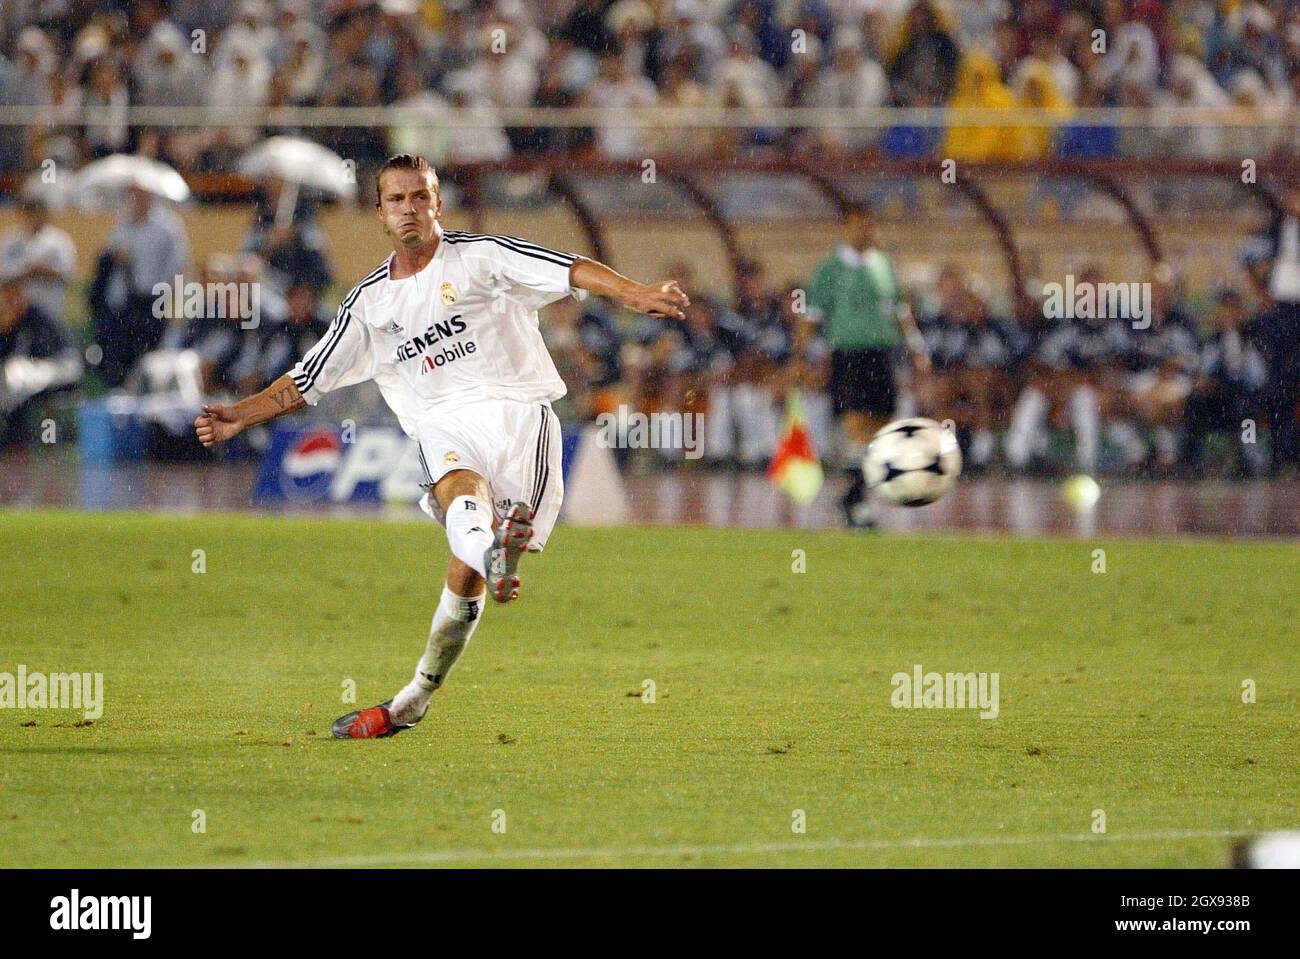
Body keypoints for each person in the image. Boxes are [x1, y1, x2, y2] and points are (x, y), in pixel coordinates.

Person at [192, 154, 688, 740]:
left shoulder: (482, 256)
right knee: (459, 492)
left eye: (420, 197)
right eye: (397, 200)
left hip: (522, 415)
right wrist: (239, 416)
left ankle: (415, 697)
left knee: (463, 577)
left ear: (437, 205)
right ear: (380, 213)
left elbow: (571, 269)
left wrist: (632, 294)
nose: (410, 209)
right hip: (444, 422)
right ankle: (494, 555)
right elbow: (307, 380)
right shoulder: (369, 304)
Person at [802, 203, 926, 527]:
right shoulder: (830, 269)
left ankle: (853, 499)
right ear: (847, 227)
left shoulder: (884, 265)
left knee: (880, 431)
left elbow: (900, 311)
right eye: (858, 224)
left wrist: (916, 348)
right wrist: (802, 359)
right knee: (857, 427)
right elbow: (811, 317)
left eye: (869, 224)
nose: (865, 231)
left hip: (882, 353)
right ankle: (854, 501)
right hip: (849, 354)